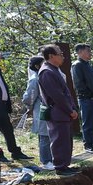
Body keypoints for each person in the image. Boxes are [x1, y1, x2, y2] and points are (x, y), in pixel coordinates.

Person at [37, 45, 79, 174]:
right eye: (60, 54)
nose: (63, 57)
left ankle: (65, 165)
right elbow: (57, 96)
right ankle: (60, 167)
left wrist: (72, 108)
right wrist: (69, 110)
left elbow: (65, 93)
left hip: (64, 112)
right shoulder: (47, 72)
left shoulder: (54, 69)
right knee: (59, 140)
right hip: (58, 112)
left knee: (66, 140)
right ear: (51, 56)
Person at [21, 56, 52, 168]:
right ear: (37, 66)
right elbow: (30, 96)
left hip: (46, 108)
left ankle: (50, 159)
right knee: (44, 135)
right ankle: (46, 161)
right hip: (41, 109)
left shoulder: (43, 76)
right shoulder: (35, 78)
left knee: (48, 134)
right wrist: (29, 105)